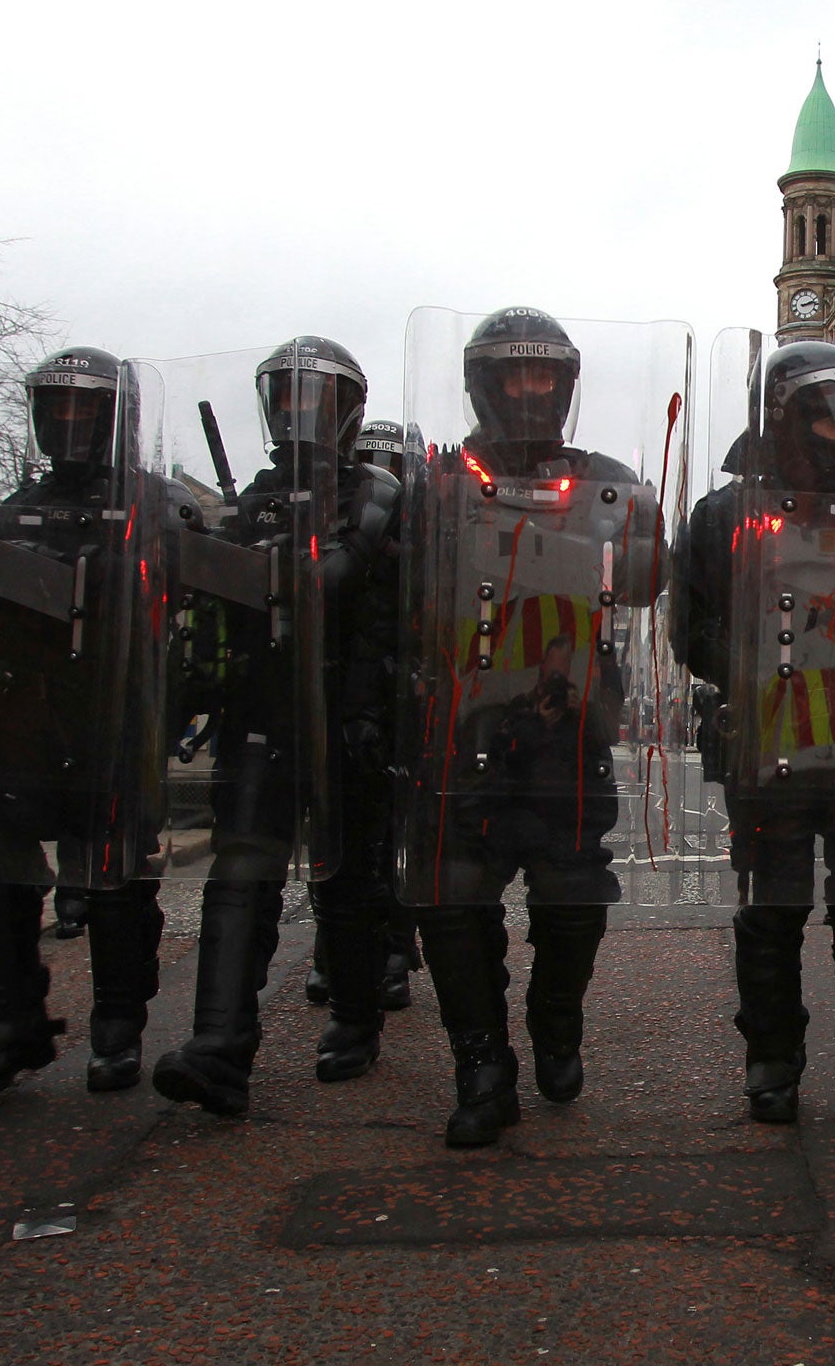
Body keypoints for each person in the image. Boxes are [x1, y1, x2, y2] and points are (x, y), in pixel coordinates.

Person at [400, 306, 666, 1147]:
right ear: (483, 384)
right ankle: (482, 1066)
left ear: (566, 384)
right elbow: (395, 596)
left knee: (573, 897)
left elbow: (654, 578)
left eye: (543, 375)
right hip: (462, 731)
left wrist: (651, 527)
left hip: (568, 732)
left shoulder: (603, 481)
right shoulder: (439, 484)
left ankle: (556, 1016)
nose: (527, 390)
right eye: (512, 375)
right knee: (451, 899)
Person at [674, 340, 835, 1133]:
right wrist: (758, 671)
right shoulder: (721, 516)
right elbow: (689, 631)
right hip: (771, 739)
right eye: (821, 413)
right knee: (774, 907)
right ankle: (772, 1059)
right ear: (780, 417)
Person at [151, 337, 402, 1113]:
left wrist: (369, 712)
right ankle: (219, 1045)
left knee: (349, 883)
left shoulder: (377, 494)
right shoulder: (251, 500)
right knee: (240, 875)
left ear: (347, 411)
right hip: (260, 711)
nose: (298, 414)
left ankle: (357, 1019)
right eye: (287, 398)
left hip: (347, 716)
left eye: (315, 401)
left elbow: (366, 596)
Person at [0, 347, 167, 1097]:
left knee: (114, 877)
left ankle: (117, 1024)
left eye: (86, 409)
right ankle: (10, 1017)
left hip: (111, 715)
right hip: (24, 717)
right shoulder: (13, 508)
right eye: (58, 408)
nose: (70, 422)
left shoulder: (153, 505)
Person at [301, 418, 423, 1011]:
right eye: (376, 462)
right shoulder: (340, 524)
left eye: (395, 465)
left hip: (407, 699)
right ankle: (336, 950)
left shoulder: (426, 533)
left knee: (400, 835)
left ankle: (397, 948)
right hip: (347, 691)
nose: (386, 477)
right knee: (343, 835)